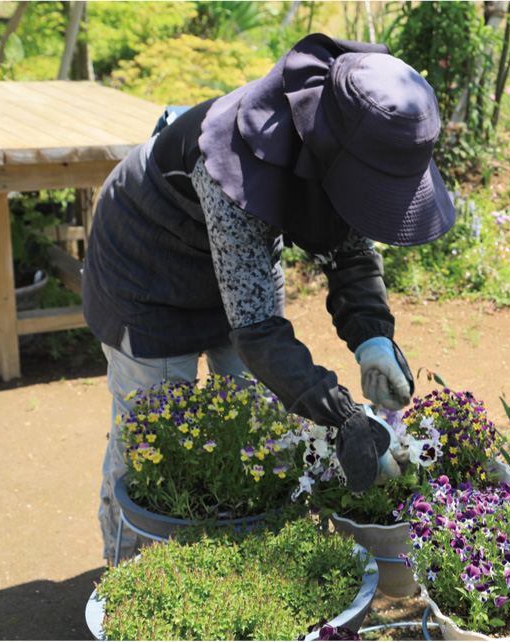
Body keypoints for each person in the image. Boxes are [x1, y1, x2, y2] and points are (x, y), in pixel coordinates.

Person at [82, 33, 456, 565]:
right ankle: (128, 579)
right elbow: (257, 330)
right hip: (146, 267)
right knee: (154, 443)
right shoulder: (242, 157)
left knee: (256, 427)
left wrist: (373, 335)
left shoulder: (341, 134)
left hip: (236, 264)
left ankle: (233, 570)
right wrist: (343, 414)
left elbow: (350, 246)